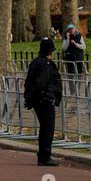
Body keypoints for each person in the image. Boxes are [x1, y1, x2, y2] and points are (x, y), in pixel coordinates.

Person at [24, 37, 63, 167]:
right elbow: (41, 82)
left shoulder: (35, 62)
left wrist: (30, 98)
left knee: (45, 127)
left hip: (39, 100)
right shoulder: (45, 64)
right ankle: (45, 156)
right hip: (44, 100)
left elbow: (29, 82)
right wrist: (48, 96)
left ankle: (43, 155)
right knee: (48, 128)